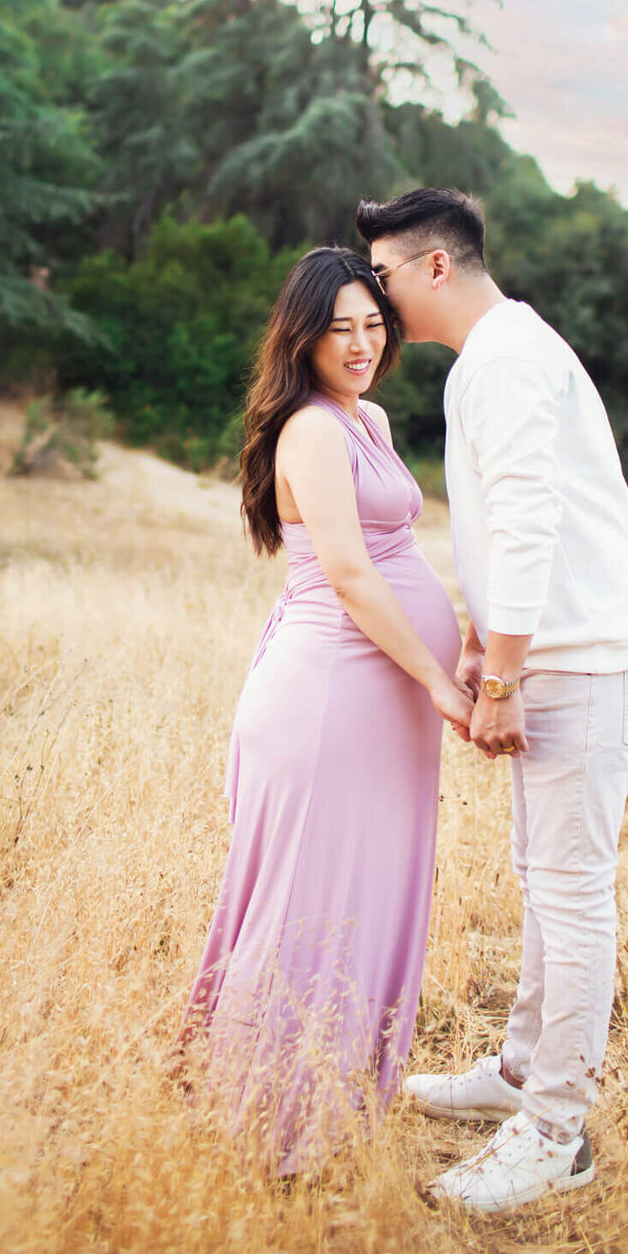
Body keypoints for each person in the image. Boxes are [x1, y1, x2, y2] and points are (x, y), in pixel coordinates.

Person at [357, 188, 628, 1215]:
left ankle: (555, 1131)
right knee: (545, 878)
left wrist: (501, 679)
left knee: (572, 891)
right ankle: (520, 1069)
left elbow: (530, 524)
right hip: (560, 659)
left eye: (386, 276)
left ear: (435, 268)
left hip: (587, 663)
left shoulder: (506, 360)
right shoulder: (496, 356)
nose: (377, 296)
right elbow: (507, 529)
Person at [178, 246, 474, 1174]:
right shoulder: (309, 428)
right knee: (311, 898)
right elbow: (348, 572)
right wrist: (435, 676)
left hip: (378, 702)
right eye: (339, 327)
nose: (360, 342)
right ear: (302, 336)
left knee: (369, 888)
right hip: (333, 698)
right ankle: (266, 1122)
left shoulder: (368, 416)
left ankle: (332, 1097)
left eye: (373, 323)